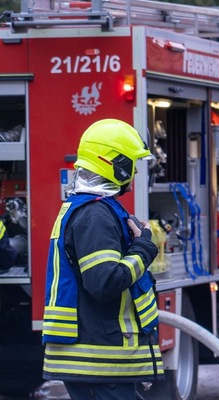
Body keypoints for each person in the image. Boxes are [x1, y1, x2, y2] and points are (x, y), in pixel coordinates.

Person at [42, 119, 164, 399]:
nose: (134, 173)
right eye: (131, 164)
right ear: (116, 165)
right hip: (99, 363)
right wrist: (144, 249)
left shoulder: (93, 209)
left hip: (101, 364)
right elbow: (104, 283)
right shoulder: (95, 216)